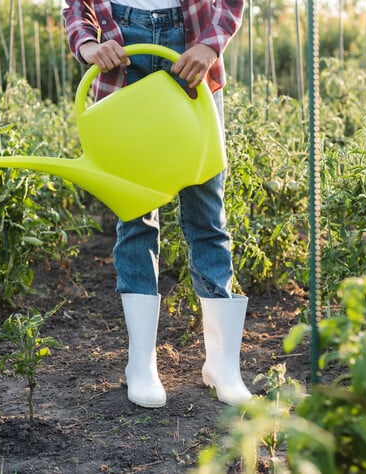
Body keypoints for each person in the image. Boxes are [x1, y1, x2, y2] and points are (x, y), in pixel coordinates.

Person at [63, 0, 250, 408]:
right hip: (120, 52)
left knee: (207, 214)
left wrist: (211, 45)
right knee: (136, 215)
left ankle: (223, 365)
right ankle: (141, 364)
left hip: (190, 48)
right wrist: (88, 45)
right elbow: (76, 5)